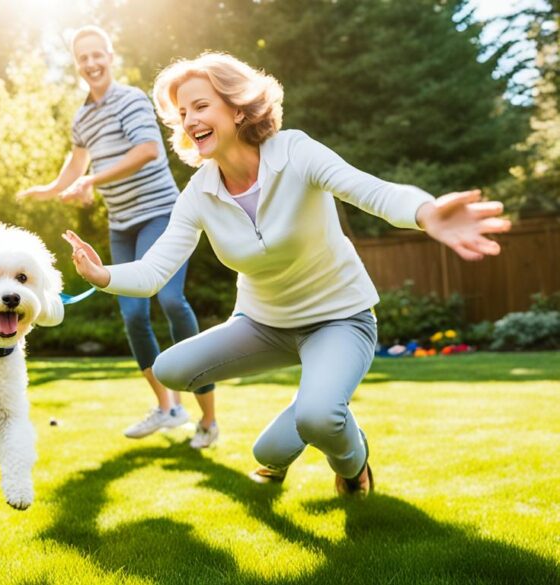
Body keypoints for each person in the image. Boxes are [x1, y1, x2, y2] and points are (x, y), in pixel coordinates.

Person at [63, 52, 510, 497]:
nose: (189, 120)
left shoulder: (294, 152)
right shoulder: (200, 192)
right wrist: (102, 275)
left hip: (340, 319)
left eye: (201, 106)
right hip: (263, 326)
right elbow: (154, 271)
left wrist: (426, 212)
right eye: (182, 113)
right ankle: (320, 396)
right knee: (171, 369)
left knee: (312, 422)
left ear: (238, 108)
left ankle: (354, 467)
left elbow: (370, 190)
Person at [18, 25, 218, 448]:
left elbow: (148, 150)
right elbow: (76, 164)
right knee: (131, 315)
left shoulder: (130, 99)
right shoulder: (82, 116)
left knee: (169, 299)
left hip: (161, 215)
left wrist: (92, 179)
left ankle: (208, 418)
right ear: (77, 65)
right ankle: (169, 407)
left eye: (97, 55)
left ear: (110, 56)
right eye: (82, 58)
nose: (91, 63)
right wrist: (53, 190)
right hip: (121, 223)